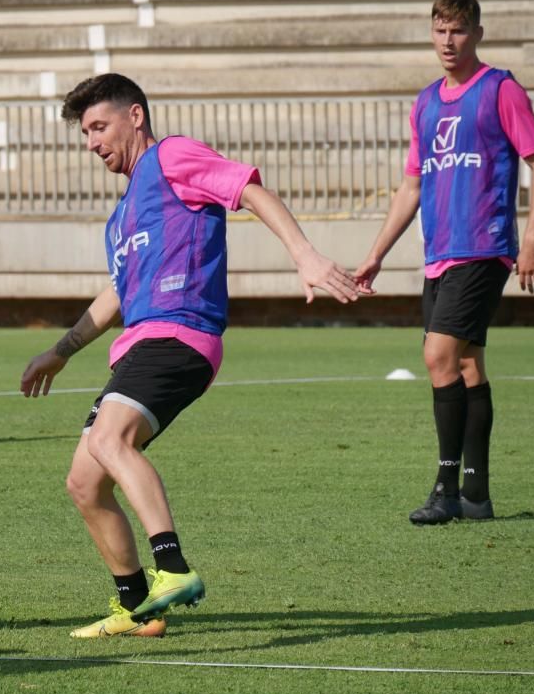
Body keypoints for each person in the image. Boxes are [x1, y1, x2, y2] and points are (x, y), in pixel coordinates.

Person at [20, 73, 358, 638]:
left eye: (99, 126)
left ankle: (172, 567)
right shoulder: (121, 217)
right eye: (83, 133)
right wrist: (60, 351)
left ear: (135, 117)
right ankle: (136, 607)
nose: (91, 142)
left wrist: (305, 255)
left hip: (180, 333)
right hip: (142, 344)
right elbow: (117, 295)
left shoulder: (172, 156)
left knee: (110, 440)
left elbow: (249, 189)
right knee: (85, 481)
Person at [354, 0, 534, 525]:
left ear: (477, 35)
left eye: (459, 30)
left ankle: (444, 490)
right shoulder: (424, 102)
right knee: (466, 364)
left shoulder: (500, 90)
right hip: (439, 254)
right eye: (441, 29)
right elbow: (411, 186)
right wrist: (376, 254)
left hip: (484, 247)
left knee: (437, 356)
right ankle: (475, 496)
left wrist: (531, 240)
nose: (449, 40)